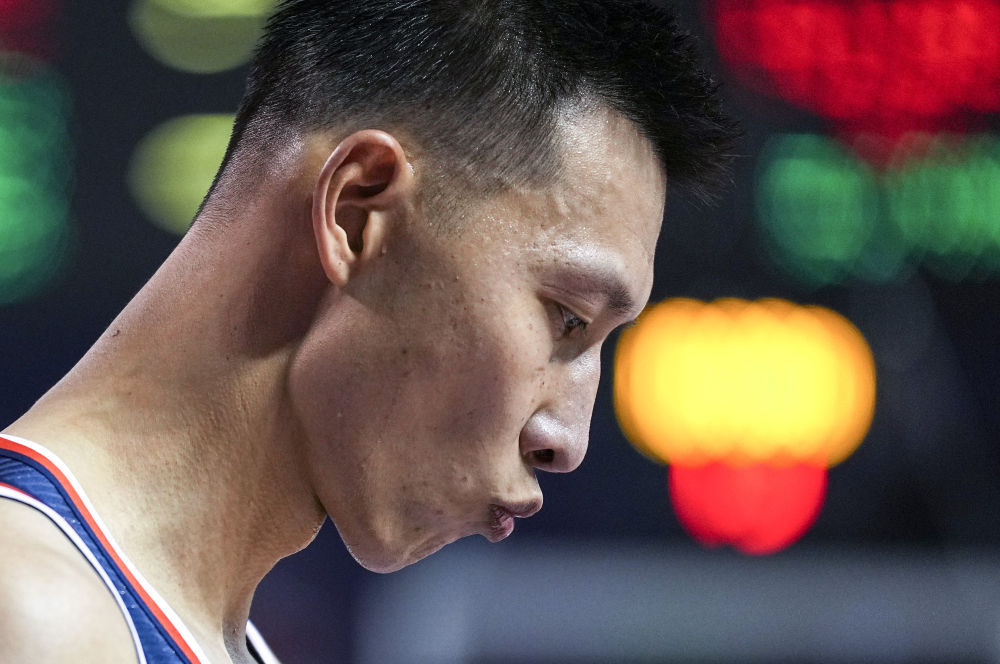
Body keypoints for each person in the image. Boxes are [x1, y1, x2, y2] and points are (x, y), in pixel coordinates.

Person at [0, 0, 737, 662]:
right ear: (356, 213)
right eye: (567, 319)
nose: (566, 442)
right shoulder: (33, 613)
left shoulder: (142, 622)